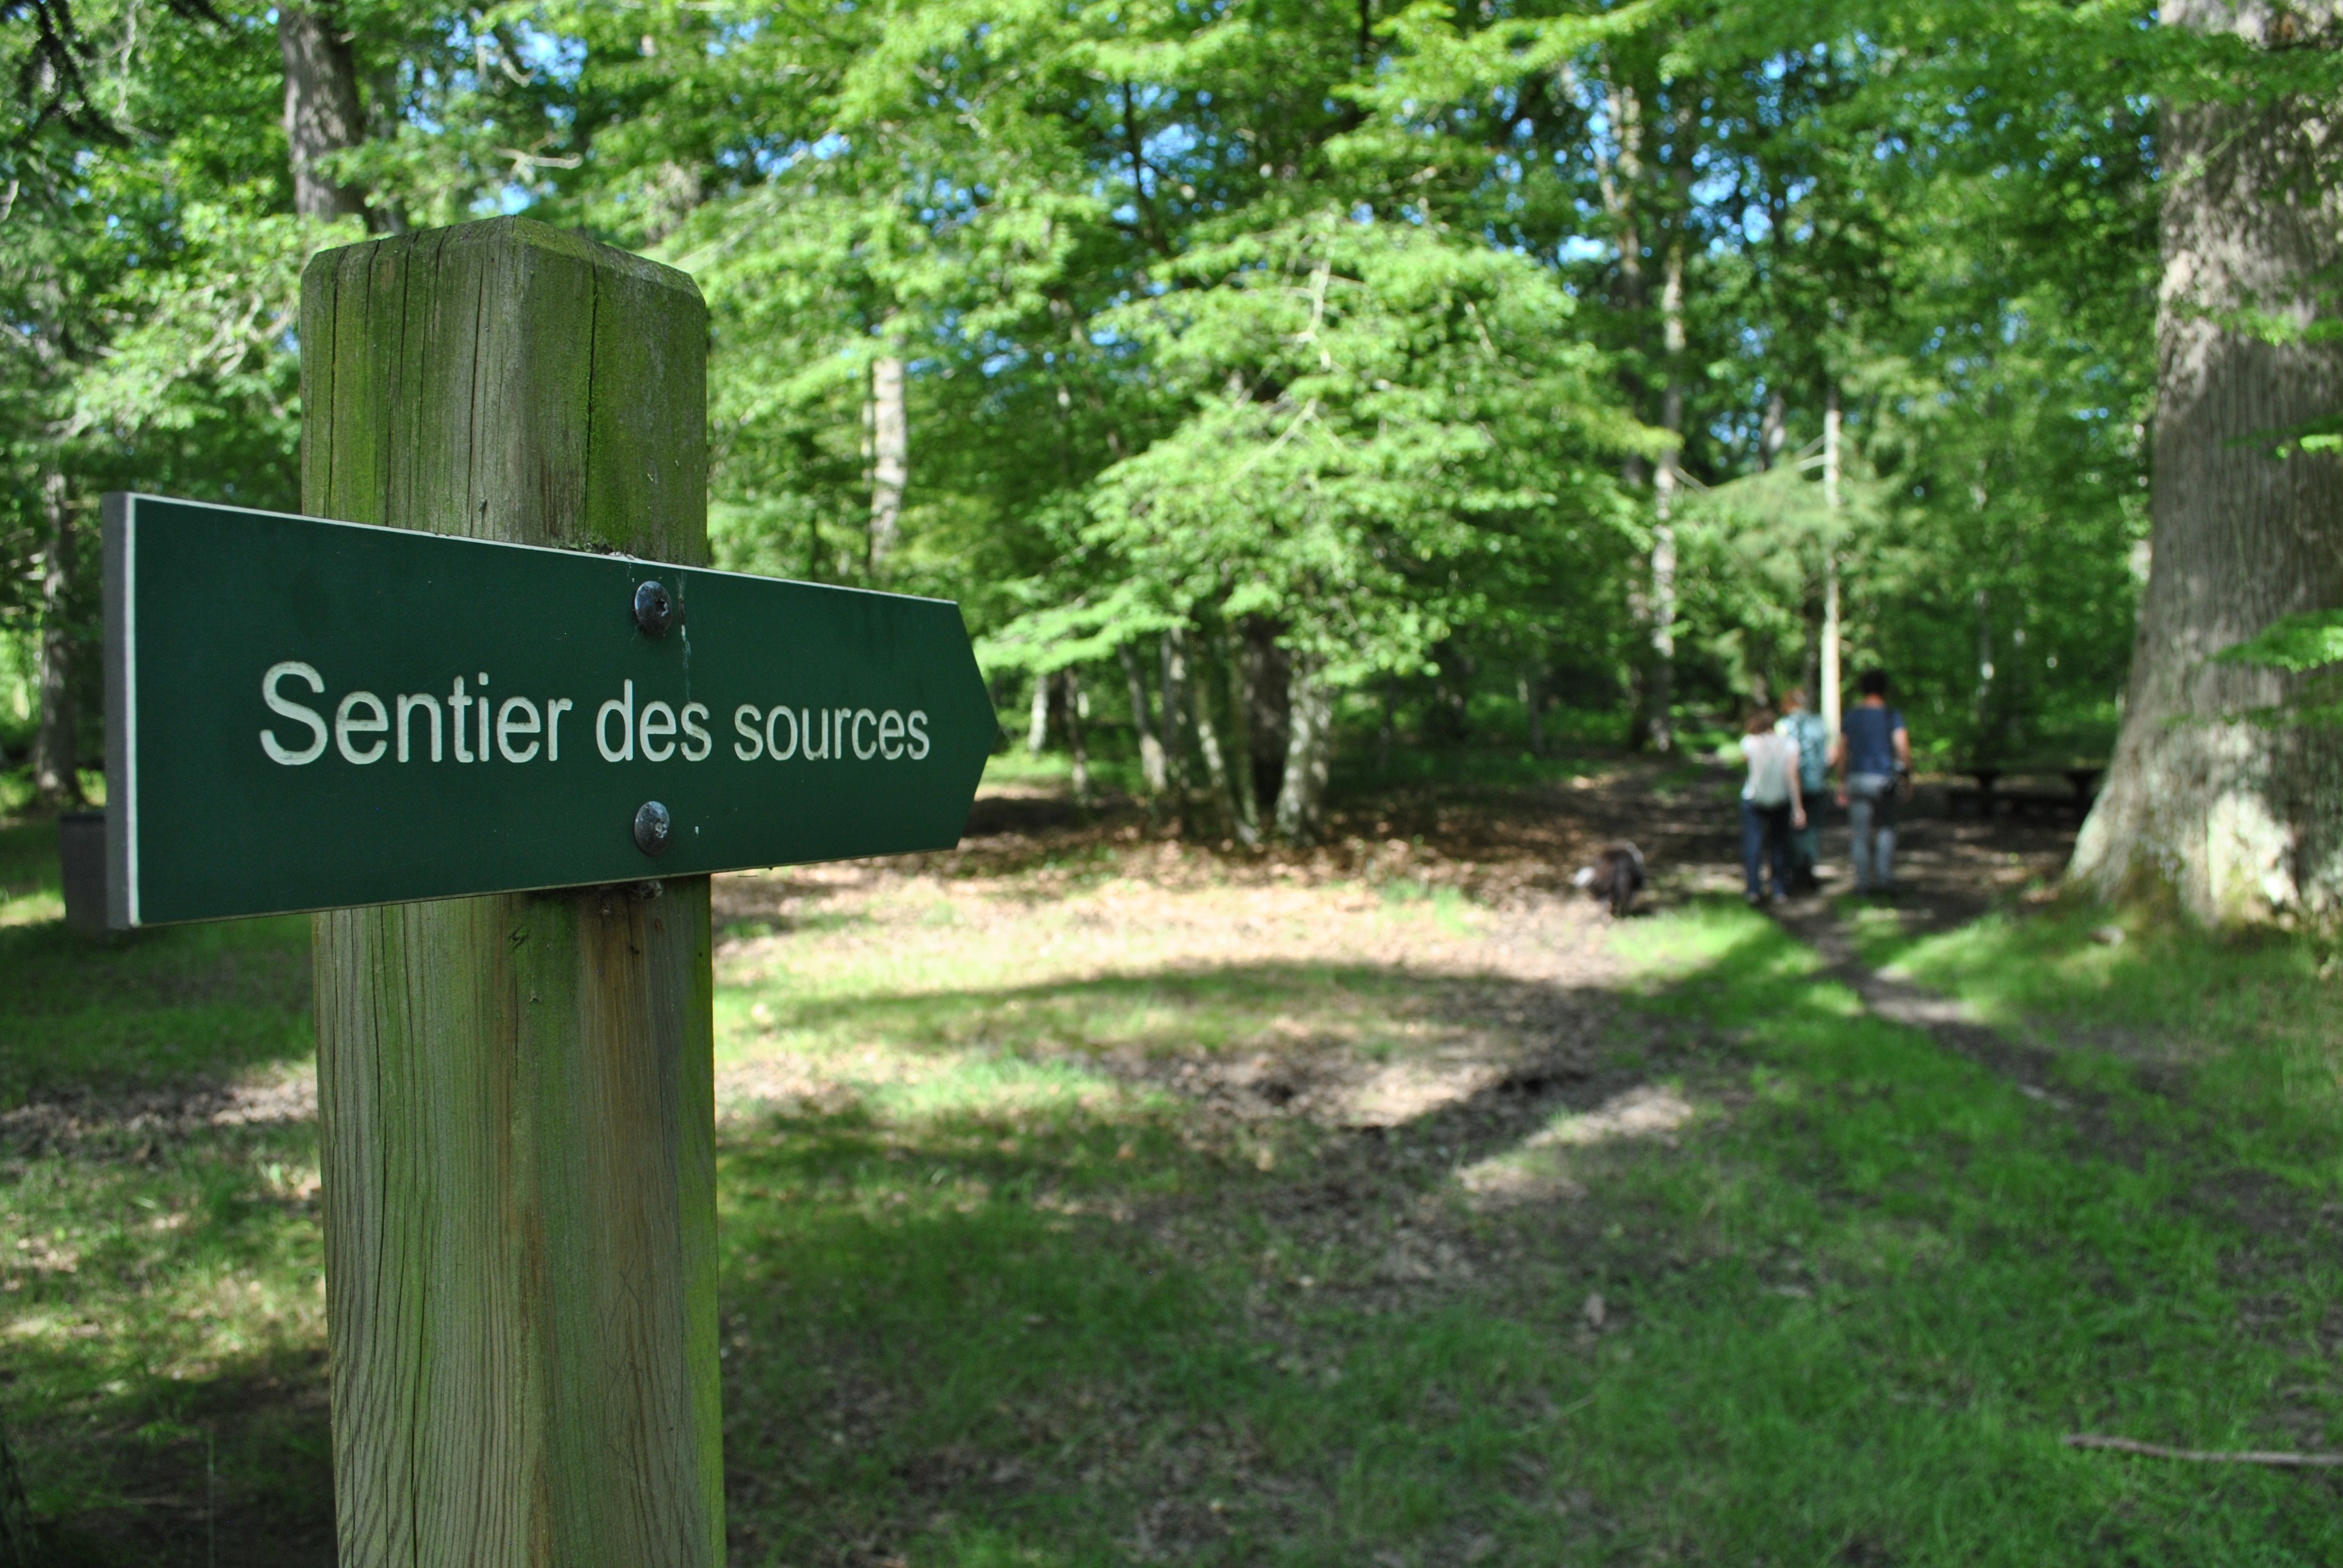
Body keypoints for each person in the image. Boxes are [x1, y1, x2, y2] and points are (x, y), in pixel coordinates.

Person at [1832, 670, 1911, 896]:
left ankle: (1863, 884)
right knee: (1888, 828)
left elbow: (1843, 751)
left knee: (1860, 834)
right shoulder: (1891, 715)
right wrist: (1908, 779)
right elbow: (1903, 749)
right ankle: (1885, 879)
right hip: (1885, 780)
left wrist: (1841, 782)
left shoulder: (1852, 716)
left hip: (1858, 778)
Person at [1739, 705, 1805, 905]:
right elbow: (1792, 776)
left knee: (1754, 844)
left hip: (1753, 797)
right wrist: (1798, 807)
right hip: (1781, 800)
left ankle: (1753, 889)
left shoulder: (1749, 743)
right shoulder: (1790, 744)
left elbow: (1746, 762)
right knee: (1779, 845)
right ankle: (1779, 889)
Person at [1776, 687, 1831, 893]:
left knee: (1793, 829)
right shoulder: (1818, 723)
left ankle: (1796, 871)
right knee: (1813, 829)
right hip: (1816, 784)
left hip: (1791, 785)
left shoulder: (1783, 725)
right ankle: (1809, 867)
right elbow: (1828, 754)